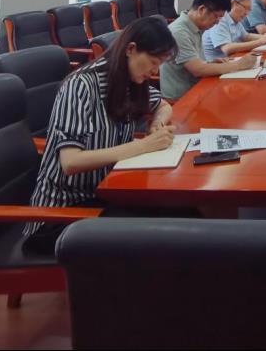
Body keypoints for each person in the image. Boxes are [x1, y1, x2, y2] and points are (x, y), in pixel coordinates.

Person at [23, 17, 179, 254]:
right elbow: (71, 162)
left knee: (182, 214)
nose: (155, 71)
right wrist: (144, 145)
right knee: (161, 238)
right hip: (61, 214)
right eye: (153, 62)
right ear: (131, 49)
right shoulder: (81, 85)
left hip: (107, 194)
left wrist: (157, 124)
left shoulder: (130, 80)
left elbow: (163, 106)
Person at [160, 0, 257, 100]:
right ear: (202, 9)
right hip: (182, 99)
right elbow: (198, 70)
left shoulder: (197, 27)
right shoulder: (179, 32)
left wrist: (209, 63)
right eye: (216, 17)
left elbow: (193, 64)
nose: (218, 22)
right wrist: (239, 65)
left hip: (199, 88)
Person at [202, 0, 266, 61]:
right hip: (217, 65)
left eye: (249, 10)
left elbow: (246, 36)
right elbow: (227, 48)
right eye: (245, 8)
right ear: (233, 3)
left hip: (230, 61)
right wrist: (260, 42)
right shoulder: (220, 19)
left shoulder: (235, 19)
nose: (247, 13)